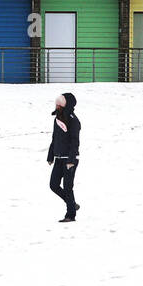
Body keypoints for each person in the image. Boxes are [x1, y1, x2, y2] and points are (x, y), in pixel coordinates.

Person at [46, 91, 81, 221]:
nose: (57, 107)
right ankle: (72, 204)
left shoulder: (73, 120)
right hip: (59, 158)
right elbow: (54, 138)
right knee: (53, 185)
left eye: (59, 105)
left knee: (67, 187)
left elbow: (74, 141)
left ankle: (70, 215)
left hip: (70, 160)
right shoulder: (58, 119)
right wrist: (51, 156)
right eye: (56, 105)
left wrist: (71, 160)